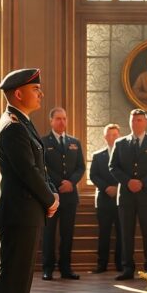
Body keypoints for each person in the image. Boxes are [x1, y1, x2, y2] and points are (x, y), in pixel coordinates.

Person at [0, 68, 58, 293]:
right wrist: (50, 198)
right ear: (18, 93)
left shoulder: (22, 122)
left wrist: (50, 193)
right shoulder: (13, 127)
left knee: (19, 278)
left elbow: (39, 168)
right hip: (19, 213)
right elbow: (27, 172)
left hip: (26, 212)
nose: (41, 93)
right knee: (13, 279)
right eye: (35, 89)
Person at [109, 109, 147, 280]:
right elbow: (113, 167)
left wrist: (143, 182)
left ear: (146, 122)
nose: (136, 123)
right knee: (126, 234)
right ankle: (127, 268)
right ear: (129, 122)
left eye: (140, 120)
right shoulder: (120, 143)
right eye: (133, 120)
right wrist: (127, 181)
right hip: (126, 196)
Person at [42, 107, 85, 280]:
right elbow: (43, 167)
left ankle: (66, 268)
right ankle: (48, 269)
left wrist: (71, 182)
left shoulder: (74, 142)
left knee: (67, 234)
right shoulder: (44, 142)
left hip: (70, 196)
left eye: (64, 119)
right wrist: (60, 183)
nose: (62, 122)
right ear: (51, 121)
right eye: (58, 119)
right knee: (49, 234)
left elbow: (81, 166)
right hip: (52, 195)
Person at [89, 124, 123, 274]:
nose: (112, 137)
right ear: (105, 137)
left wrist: (117, 187)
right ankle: (101, 264)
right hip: (103, 199)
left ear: (119, 136)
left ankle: (120, 264)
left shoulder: (125, 154)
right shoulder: (98, 155)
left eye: (115, 135)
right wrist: (106, 187)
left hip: (121, 199)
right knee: (104, 234)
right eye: (109, 135)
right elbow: (93, 175)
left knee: (121, 234)